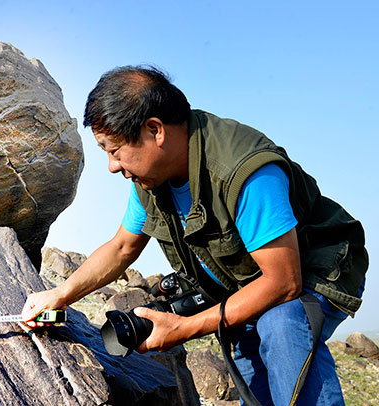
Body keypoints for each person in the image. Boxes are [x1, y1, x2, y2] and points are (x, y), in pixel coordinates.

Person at [21, 66, 368, 405]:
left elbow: (284, 283)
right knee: (247, 351)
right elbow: (122, 247)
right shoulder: (151, 179)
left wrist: (183, 329)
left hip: (315, 268)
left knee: (282, 324)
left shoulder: (245, 173)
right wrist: (59, 295)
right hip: (248, 280)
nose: (112, 165)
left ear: (155, 130)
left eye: (114, 150)